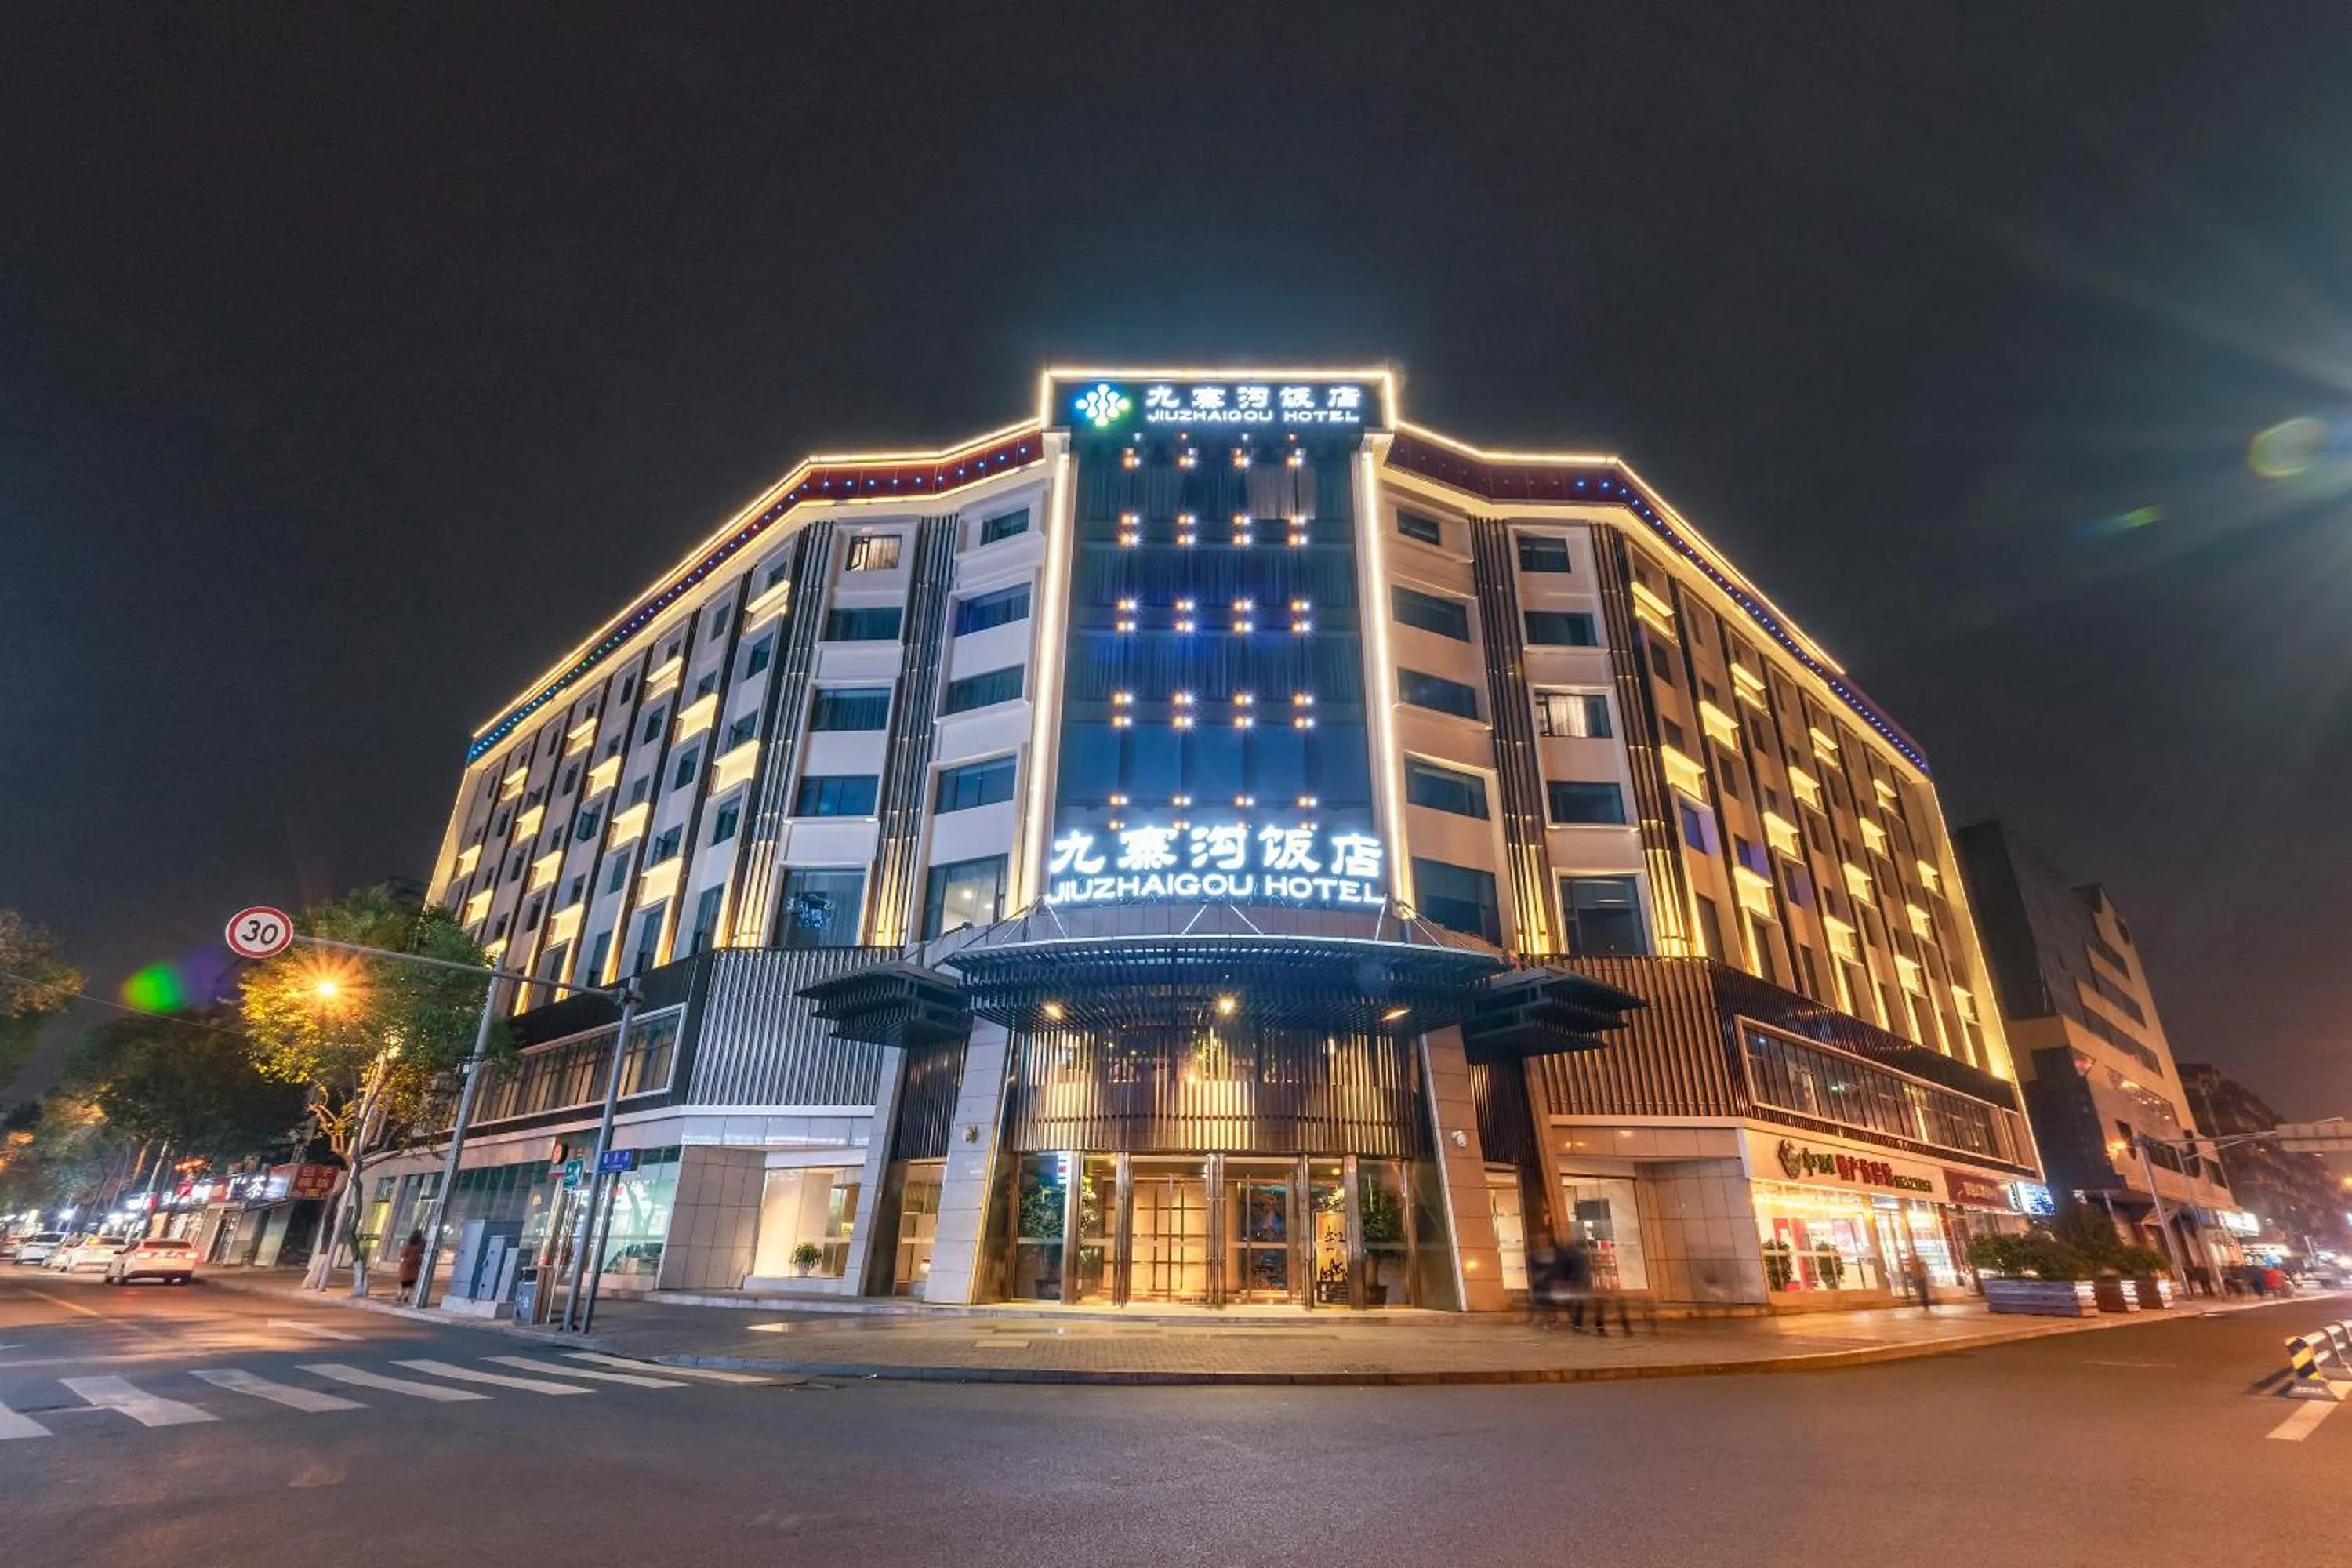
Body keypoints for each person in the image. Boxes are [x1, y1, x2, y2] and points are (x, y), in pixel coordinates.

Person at [397, 1229, 426, 1295]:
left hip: (406, 1265)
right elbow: (422, 1253)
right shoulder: (420, 1246)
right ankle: (406, 1296)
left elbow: (402, 1255)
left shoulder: (408, 1245)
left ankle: (399, 1295)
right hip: (415, 1265)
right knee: (410, 1282)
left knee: (403, 1282)